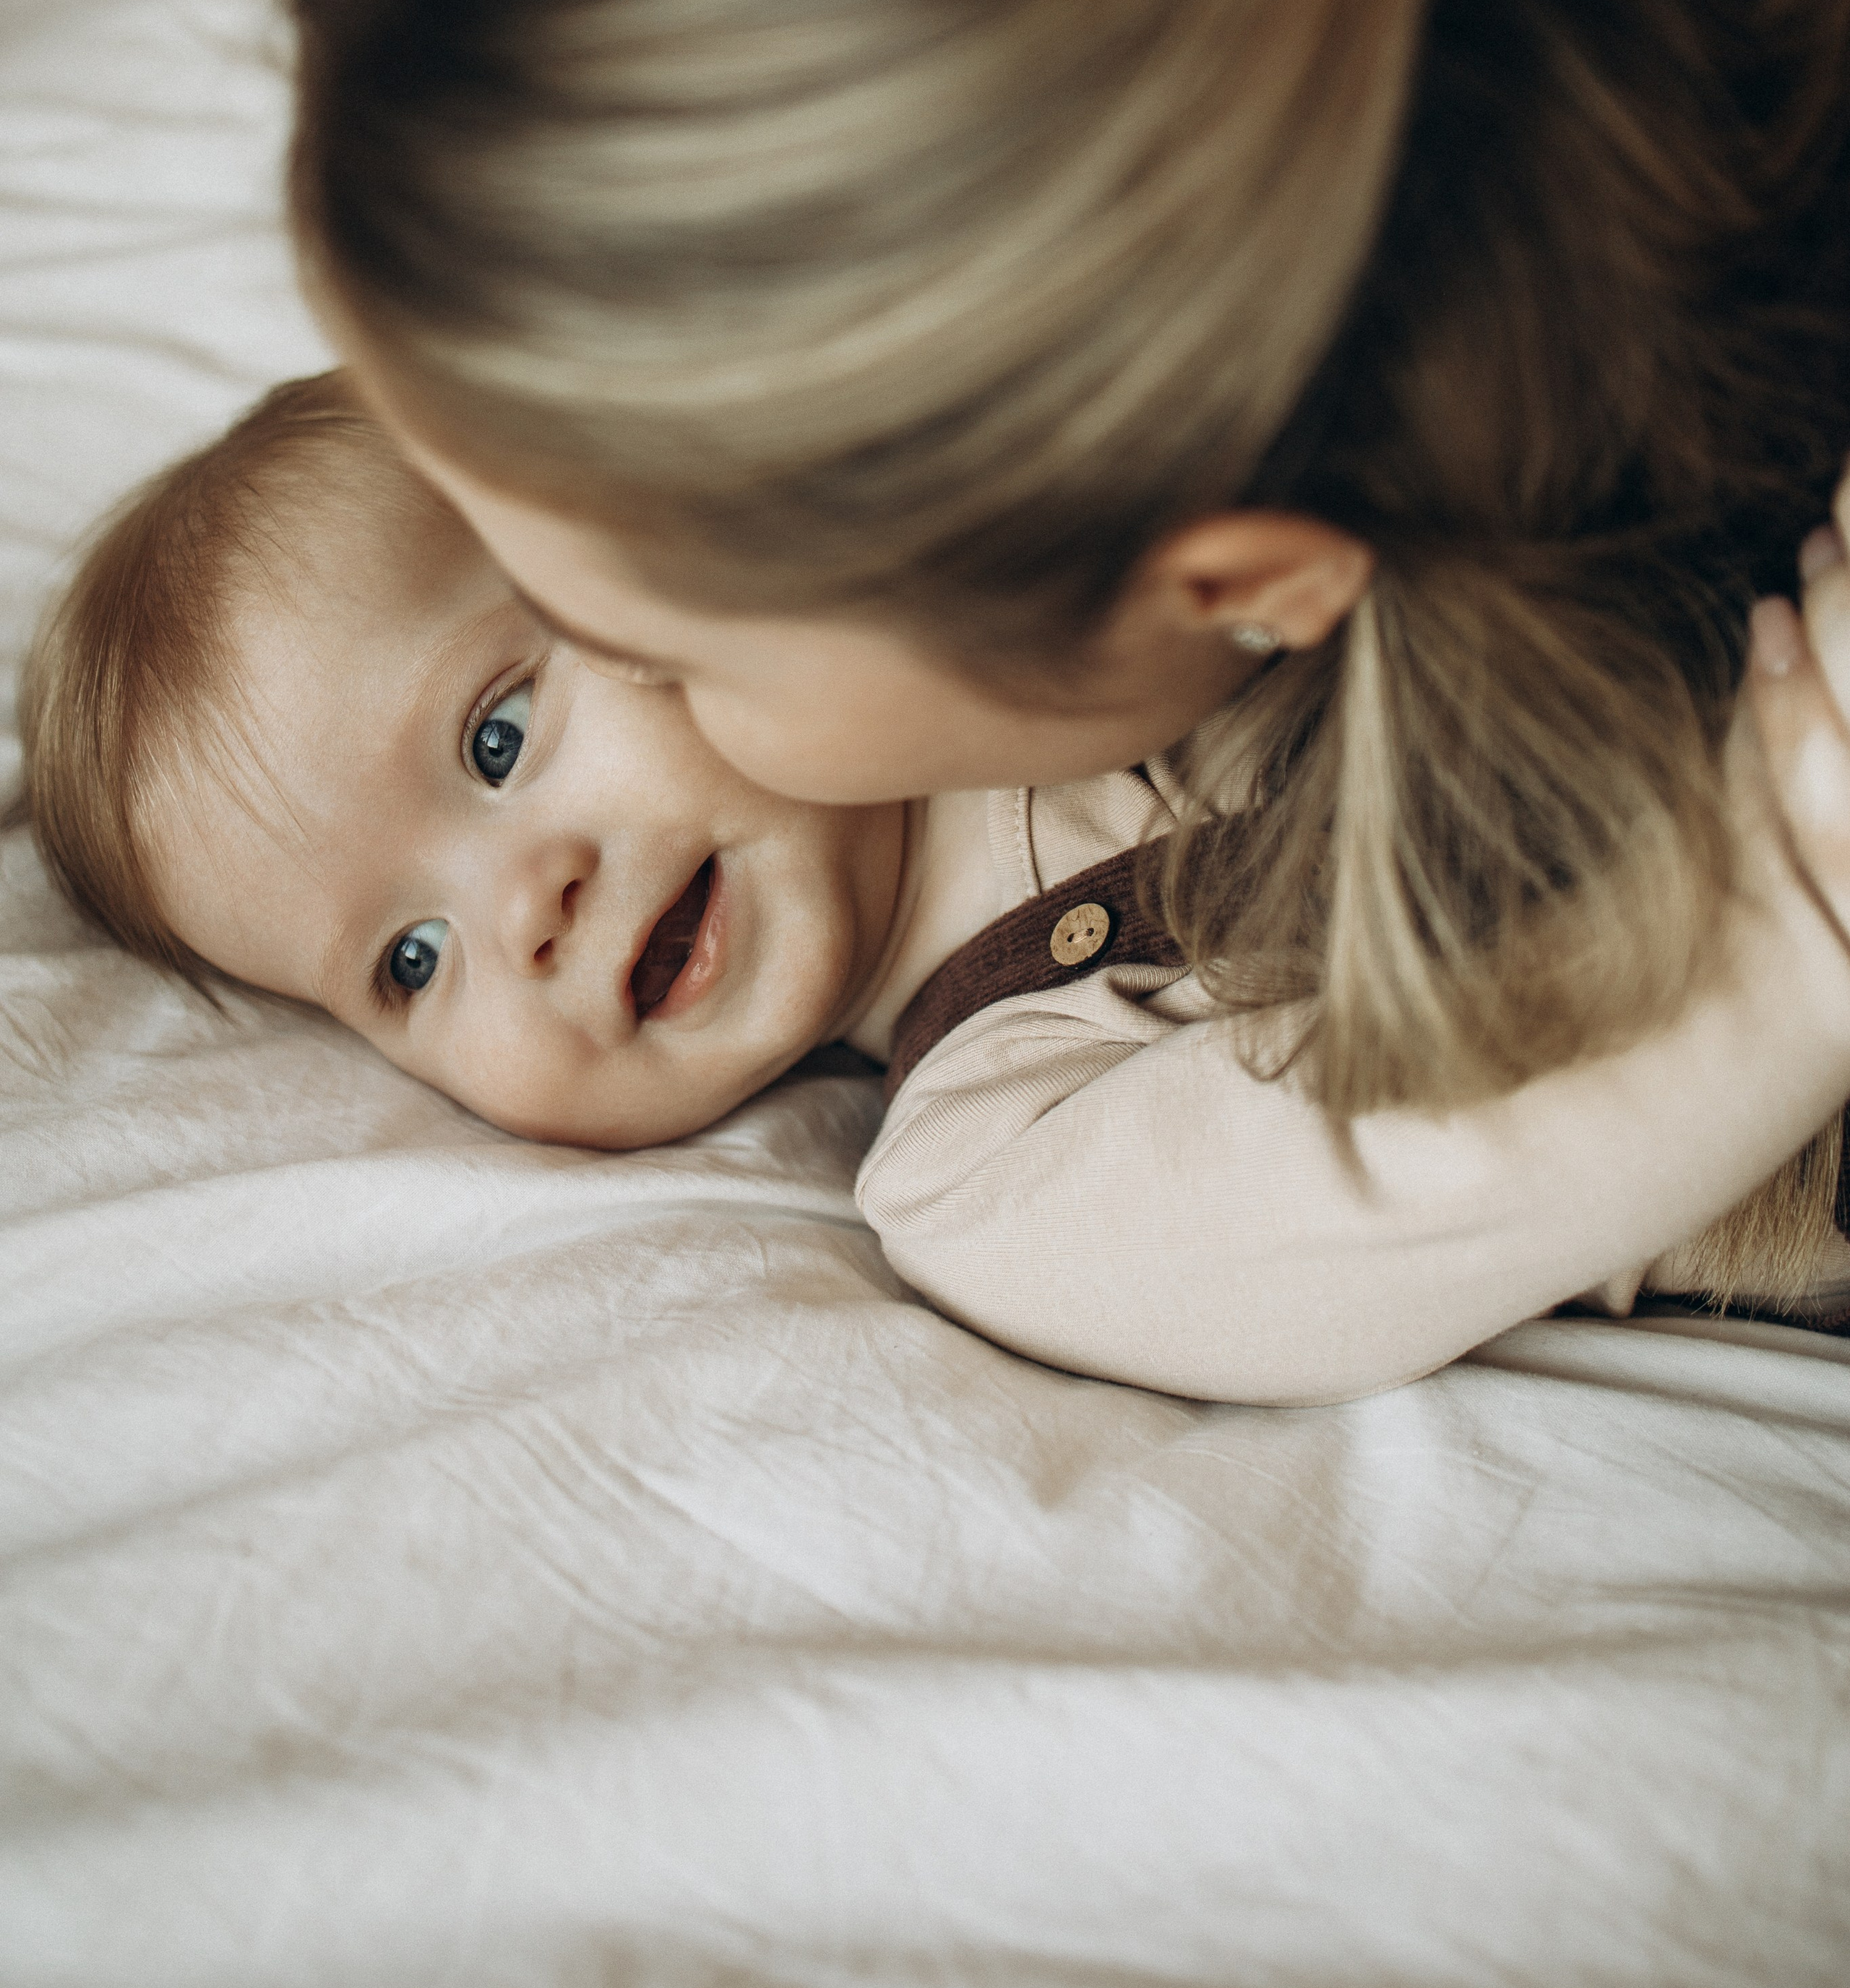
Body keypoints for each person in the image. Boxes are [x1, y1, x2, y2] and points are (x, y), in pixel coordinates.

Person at [280, 0, 1850, 1374]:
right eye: (398, 957)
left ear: (1234, 574)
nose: (535, 901)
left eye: (653, 658)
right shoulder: (1009, 1136)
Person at [17, 372, 1850, 1400]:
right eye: (405, 965)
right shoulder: (982, 1160)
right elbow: (1391, 1198)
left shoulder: (1054, 555)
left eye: (498, 739)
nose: (527, 912)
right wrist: (1789, 939)